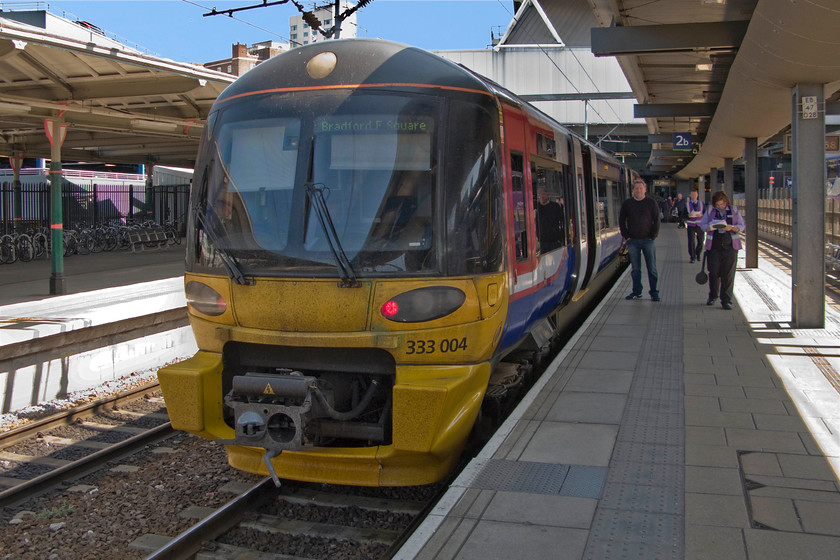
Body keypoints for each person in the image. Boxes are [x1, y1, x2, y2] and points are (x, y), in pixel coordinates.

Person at [700, 191, 745, 310]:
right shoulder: (710, 210)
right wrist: (709, 227)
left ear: (726, 202)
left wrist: (734, 228)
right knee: (713, 272)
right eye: (718, 204)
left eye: (722, 204)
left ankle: (726, 300)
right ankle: (713, 295)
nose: (720, 206)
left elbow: (741, 225)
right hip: (714, 245)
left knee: (728, 274)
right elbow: (703, 224)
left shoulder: (734, 210)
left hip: (730, 245)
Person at [619, 178, 660, 301]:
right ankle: (637, 292)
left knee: (652, 268)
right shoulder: (627, 204)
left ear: (645, 189)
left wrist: (653, 236)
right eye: (636, 188)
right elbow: (621, 220)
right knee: (635, 269)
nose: (638, 190)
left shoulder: (651, 203)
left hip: (648, 240)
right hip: (633, 241)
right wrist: (626, 235)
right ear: (633, 190)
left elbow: (657, 220)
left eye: (641, 188)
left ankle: (654, 292)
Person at [536, 186, 564, 251]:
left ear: (547, 194)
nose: (541, 196)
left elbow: (562, 221)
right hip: (543, 242)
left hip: (555, 241)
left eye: (542, 193)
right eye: (539, 194)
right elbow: (536, 223)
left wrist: (561, 237)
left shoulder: (555, 206)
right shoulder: (537, 208)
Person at [685, 190, 705, 262]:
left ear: (697, 195)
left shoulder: (702, 204)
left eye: (695, 195)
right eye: (692, 195)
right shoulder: (687, 204)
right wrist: (688, 215)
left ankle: (698, 253)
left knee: (701, 240)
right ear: (690, 196)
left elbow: (706, 213)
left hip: (699, 224)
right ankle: (692, 257)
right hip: (690, 224)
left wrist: (701, 215)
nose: (694, 197)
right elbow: (683, 215)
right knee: (691, 241)